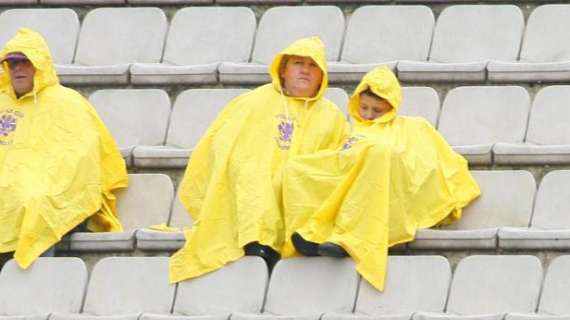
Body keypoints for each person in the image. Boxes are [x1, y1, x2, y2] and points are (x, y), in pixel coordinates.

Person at [282, 66, 481, 291]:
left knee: (376, 158)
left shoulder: (412, 126)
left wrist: (375, 156)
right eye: (364, 107)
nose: (367, 115)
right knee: (298, 167)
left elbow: (424, 162)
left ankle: (347, 239)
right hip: (349, 178)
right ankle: (310, 233)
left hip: (385, 186)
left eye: (376, 110)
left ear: (390, 106)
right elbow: (339, 158)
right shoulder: (352, 131)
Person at [169, 36, 349, 283]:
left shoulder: (332, 115)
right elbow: (222, 143)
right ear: (283, 70)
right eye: (298, 63)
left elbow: (338, 160)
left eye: (313, 66)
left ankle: (302, 239)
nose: (306, 71)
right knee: (251, 170)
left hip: (302, 186)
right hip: (257, 179)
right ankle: (257, 242)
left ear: (322, 75)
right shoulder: (251, 101)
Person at [0, 28, 128, 268]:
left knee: (38, 204)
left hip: (51, 191)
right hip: (9, 191)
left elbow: (81, 160)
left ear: (40, 64)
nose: (18, 68)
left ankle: (35, 289)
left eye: (25, 61)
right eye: (11, 63)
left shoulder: (68, 102)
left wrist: (41, 185)